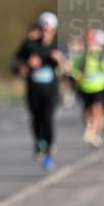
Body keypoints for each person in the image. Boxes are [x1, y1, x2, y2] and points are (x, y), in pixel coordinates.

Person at [14, 12, 63, 172]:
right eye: (43, 27)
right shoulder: (29, 45)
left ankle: (48, 154)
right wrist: (27, 65)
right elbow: (17, 66)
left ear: (54, 29)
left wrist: (60, 60)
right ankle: (38, 143)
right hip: (33, 91)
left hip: (51, 92)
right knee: (35, 120)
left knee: (48, 120)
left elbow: (68, 69)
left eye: (49, 28)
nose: (46, 31)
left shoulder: (58, 46)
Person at [70, 30, 104, 147]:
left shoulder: (101, 55)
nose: (91, 46)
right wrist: (77, 76)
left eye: (93, 43)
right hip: (84, 88)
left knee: (97, 110)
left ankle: (93, 132)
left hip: (99, 87)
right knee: (87, 114)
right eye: (89, 43)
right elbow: (74, 70)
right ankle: (92, 131)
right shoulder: (82, 56)